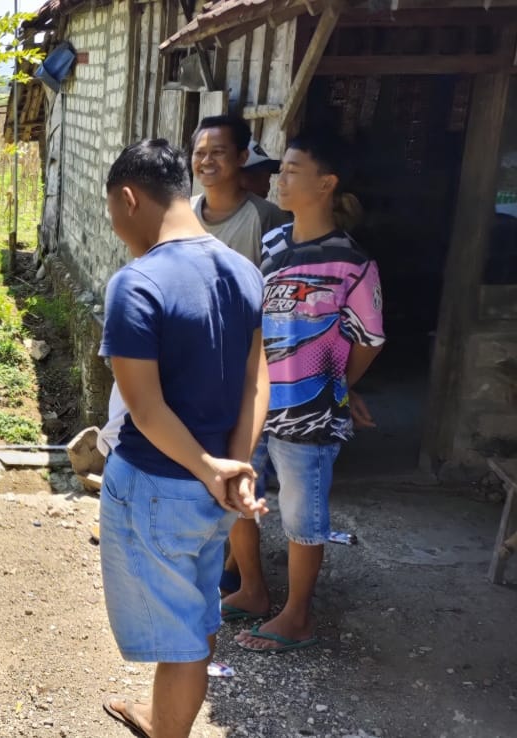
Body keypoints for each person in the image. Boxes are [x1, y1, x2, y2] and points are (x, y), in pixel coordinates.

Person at [98, 139, 268, 738]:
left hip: (156, 482)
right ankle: (162, 716)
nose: (117, 227)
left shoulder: (137, 283)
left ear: (129, 198)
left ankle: (165, 729)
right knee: (196, 612)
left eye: (113, 213)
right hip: (214, 487)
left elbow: (145, 409)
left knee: (181, 640)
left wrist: (209, 468)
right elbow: (256, 378)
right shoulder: (244, 270)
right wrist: (232, 466)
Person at [226, 131, 385, 653]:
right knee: (239, 495)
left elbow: (369, 339)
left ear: (326, 184)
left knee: (302, 514)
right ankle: (252, 590)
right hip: (255, 400)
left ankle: (297, 616)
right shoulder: (273, 244)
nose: (281, 178)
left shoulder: (352, 263)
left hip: (311, 412)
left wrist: (338, 384)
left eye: (293, 170)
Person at [191, 115, 289, 264]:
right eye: (199, 153)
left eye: (218, 152)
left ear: (242, 157)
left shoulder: (267, 217)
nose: (206, 161)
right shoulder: (184, 212)